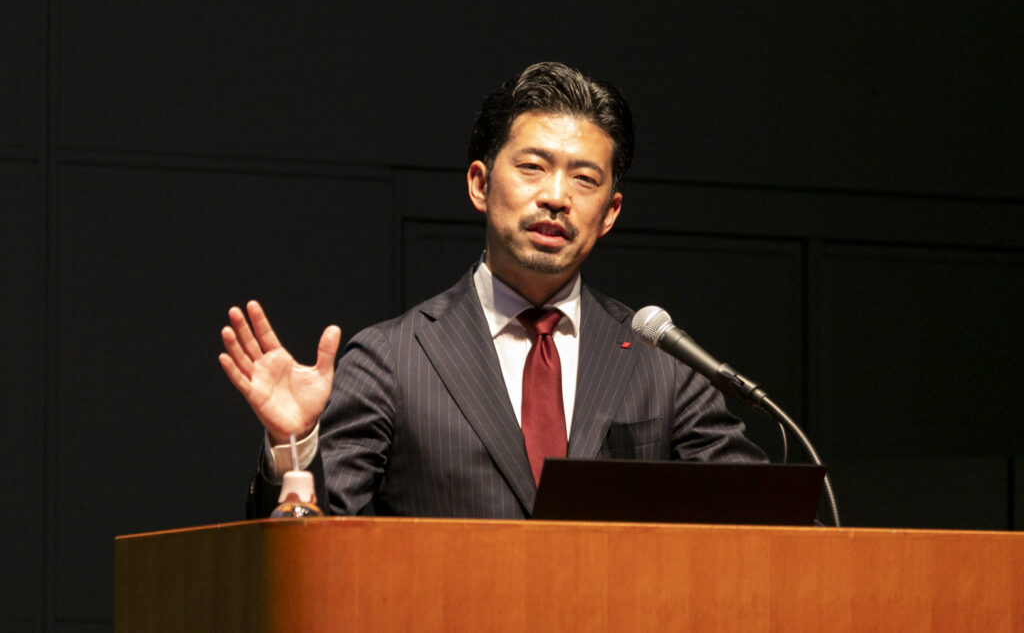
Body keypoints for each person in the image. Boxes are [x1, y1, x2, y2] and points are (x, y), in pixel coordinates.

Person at [219, 62, 766, 519]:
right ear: (480, 184)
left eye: (584, 179)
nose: (556, 197)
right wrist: (293, 446)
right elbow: (312, 550)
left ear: (609, 213)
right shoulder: (392, 360)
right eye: (533, 167)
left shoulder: (663, 364)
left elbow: (763, 522)